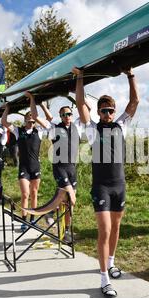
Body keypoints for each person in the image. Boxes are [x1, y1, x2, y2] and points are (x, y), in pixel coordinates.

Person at [72, 66, 139, 298]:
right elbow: (80, 103)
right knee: (105, 230)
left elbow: (135, 101)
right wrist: (80, 77)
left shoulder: (121, 125)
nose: (107, 115)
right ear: (98, 112)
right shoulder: (91, 129)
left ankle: (110, 262)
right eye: (103, 111)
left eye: (110, 111)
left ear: (114, 111)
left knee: (116, 228)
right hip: (101, 187)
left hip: (119, 185)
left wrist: (130, 75)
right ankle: (104, 279)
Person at [29, 92, 85, 239]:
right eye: (64, 115)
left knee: (68, 203)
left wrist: (70, 95)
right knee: (71, 198)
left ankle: (65, 229)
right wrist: (33, 99)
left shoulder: (78, 125)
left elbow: (86, 108)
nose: (67, 117)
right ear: (60, 117)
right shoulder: (54, 127)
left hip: (72, 168)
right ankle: (50, 212)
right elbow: (35, 117)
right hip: (60, 168)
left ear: (72, 115)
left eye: (69, 114)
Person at [1, 104, 49, 232]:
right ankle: (24, 220)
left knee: (34, 194)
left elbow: (49, 120)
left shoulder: (39, 131)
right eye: (29, 120)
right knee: (25, 194)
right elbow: (4, 122)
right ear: (25, 120)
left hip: (35, 167)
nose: (31, 122)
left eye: (33, 120)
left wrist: (43, 107)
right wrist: (7, 109)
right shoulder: (18, 131)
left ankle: (33, 219)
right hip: (24, 168)